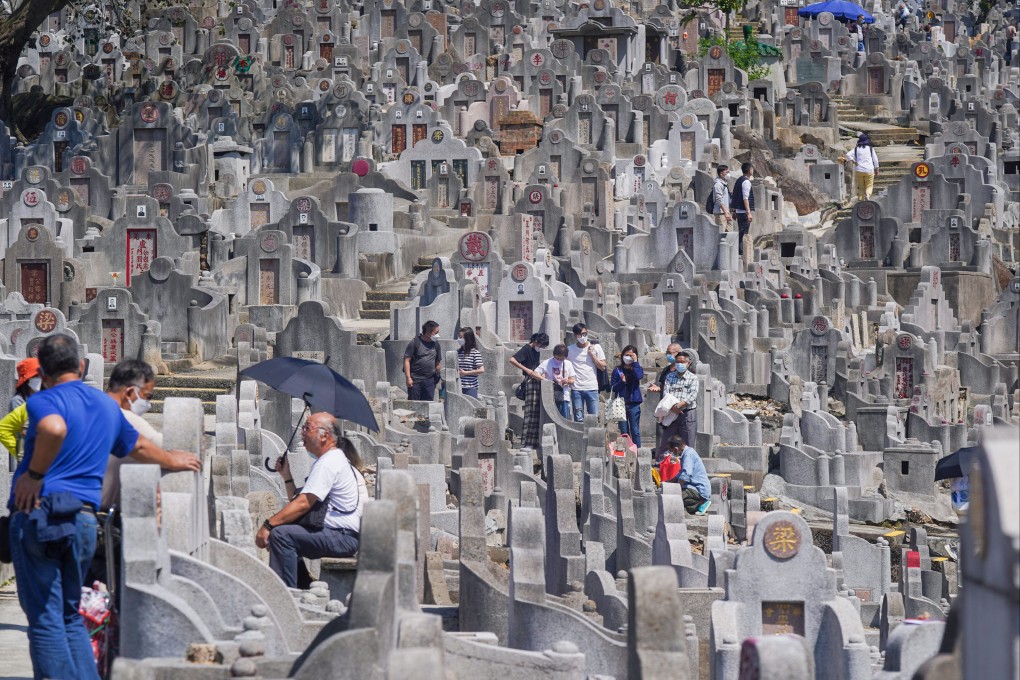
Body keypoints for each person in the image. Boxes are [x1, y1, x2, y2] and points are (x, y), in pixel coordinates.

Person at [7, 334, 200, 680]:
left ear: (44, 373)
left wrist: (34, 474)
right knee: (69, 616)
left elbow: (53, 428)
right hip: (83, 520)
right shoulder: (108, 407)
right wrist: (172, 459)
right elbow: (138, 446)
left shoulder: (44, 401)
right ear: (80, 367)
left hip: (40, 513)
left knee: (45, 620)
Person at [255, 412, 363, 588]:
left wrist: (268, 525)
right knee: (285, 531)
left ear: (324, 435)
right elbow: (299, 500)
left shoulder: (329, 462)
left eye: (307, 428)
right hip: (337, 533)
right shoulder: (327, 460)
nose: (302, 433)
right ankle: (303, 587)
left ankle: (288, 596)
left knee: (282, 536)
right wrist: (287, 476)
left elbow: (304, 503)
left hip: (341, 536)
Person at [100, 359, 164, 510]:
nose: (148, 404)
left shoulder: (92, 406)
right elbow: (165, 448)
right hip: (97, 513)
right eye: (147, 396)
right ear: (129, 392)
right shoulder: (126, 418)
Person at [655, 350, 699, 460]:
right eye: (678, 362)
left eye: (683, 362)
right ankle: (662, 464)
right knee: (667, 441)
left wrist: (679, 406)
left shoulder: (693, 378)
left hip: (687, 414)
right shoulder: (669, 376)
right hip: (671, 412)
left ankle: (689, 465)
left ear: (688, 363)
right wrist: (674, 407)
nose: (680, 364)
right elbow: (666, 393)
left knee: (688, 442)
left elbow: (692, 395)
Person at [509, 332, 549, 449]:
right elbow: (512, 359)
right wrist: (527, 370)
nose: (541, 348)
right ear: (536, 341)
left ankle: (534, 440)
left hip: (537, 379)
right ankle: (527, 442)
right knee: (530, 412)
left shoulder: (537, 351)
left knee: (536, 412)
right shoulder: (526, 349)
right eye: (541, 345)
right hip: (530, 381)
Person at [661, 435, 711, 515]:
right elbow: (680, 474)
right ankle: (694, 506)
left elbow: (685, 475)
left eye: (672, 451)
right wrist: (668, 482)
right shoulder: (685, 454)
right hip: (692, 487)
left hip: (699, 489)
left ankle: (701, 503)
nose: (672, 454)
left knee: (676, 498)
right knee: (674, 498)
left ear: (676, 449)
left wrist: (677, 489)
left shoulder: (689, 454)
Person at [566, 323, 606, 422]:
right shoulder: (570, 349)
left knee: (594, 418)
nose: (583, 337)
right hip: (576, 388)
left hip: (592, 387)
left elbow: (603, 366)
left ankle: (593, 438)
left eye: (584, 334)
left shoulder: (596, 347)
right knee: (578, 419)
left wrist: (592, 354)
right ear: (575, 335)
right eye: (580, 335)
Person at [610, 345, 644, 448]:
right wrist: (622, 382)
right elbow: (613, 387)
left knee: (635, 430)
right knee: (624, 431)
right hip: (621, 404)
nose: (628, 357)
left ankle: (637, 451)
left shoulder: (636, 368)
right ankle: (626, 451)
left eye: (631, 355)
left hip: (633, 403)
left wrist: (635, 362)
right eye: (626, 355)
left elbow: (639, 376)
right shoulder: (617, 370)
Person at [403, 320, 442, 401]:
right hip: (415, 380)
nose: (437, 335)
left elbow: (437, 362)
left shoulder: (436, 344)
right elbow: (407, 360)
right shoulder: (415, 343)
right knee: (414, 404)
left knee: (428, 405)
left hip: (430, 380)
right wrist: (408, 377)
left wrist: (440, 375)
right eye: (436, 332)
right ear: (428, 332)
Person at [535, 344, 575, 420]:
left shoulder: (568, 364)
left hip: (564, 395)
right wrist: (546, 381)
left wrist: (567, 381)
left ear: (565, 357)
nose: (559, 360)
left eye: (561, 359)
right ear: (554, 355)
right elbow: (535, 373)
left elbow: (572, 380)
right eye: (557, 358)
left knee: (565, 419)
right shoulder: (547, 363)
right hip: (550, 395)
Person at [731, 162, 755, 257]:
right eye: (752, 169)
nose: (753, 171)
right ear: (749, 170)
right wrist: (749, 213)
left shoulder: (739, 180)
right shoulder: (746, 182)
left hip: (739, 211)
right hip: (744, 212)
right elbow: (745, 198)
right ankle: (741, 251)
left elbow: (735, 196)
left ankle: (740, 250)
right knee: (744, 232)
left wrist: (734, 211)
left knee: (741, 230)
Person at [849, 133, 879, 201]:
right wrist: (877, 169)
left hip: (859, 170)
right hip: (869, 170)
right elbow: (875, 160)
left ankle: (861, 200)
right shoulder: (871, 149)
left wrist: (854, 161)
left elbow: (848, 155)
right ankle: (867, 195)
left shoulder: (856, 149)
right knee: (869, 186)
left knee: (861, 187)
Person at [456, 327, 484, 399]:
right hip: (458, 386)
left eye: (461, 337)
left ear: (468, 339)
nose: (459, 339)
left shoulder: (475, 353)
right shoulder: (457, 352)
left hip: (470, 387)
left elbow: (481, 370)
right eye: (459, 337)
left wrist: (465, 373)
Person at [711, 165, 732, 230]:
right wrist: (725, 212)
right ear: (721, 173)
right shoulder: (718, 184)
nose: (728, 173)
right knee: (721, 234)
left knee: (730, 234)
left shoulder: (724, 183)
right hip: (721, 213)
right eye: (726, 171)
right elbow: (719, 199)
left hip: (727, 212)